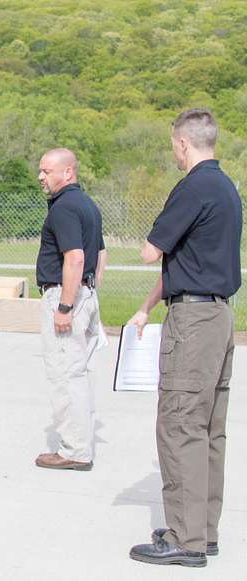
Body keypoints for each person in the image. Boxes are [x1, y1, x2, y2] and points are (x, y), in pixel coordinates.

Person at [128, 109, 241, 568]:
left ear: (182, 143)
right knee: (209, 429)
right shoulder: (227, 189)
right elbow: (188, 259)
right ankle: (204, 529)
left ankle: (185, 538)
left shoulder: (192, 187)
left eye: (173, 145)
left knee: (179, 427)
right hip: (218, 316)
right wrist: (146, 307)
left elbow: (151, 250)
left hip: (192, 325)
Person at [31, 148, 106, 472]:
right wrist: (89, 292)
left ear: (68, 172)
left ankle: (74, 450)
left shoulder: (63, 207)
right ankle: (79, 444)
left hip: (66, 297)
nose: (41, 177)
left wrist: (65, 305)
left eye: (47, 171)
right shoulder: (87, 205)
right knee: (77, 373)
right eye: (41, 171)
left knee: (64, 375)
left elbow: (74, 257)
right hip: (84, 293)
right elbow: (100, 254)